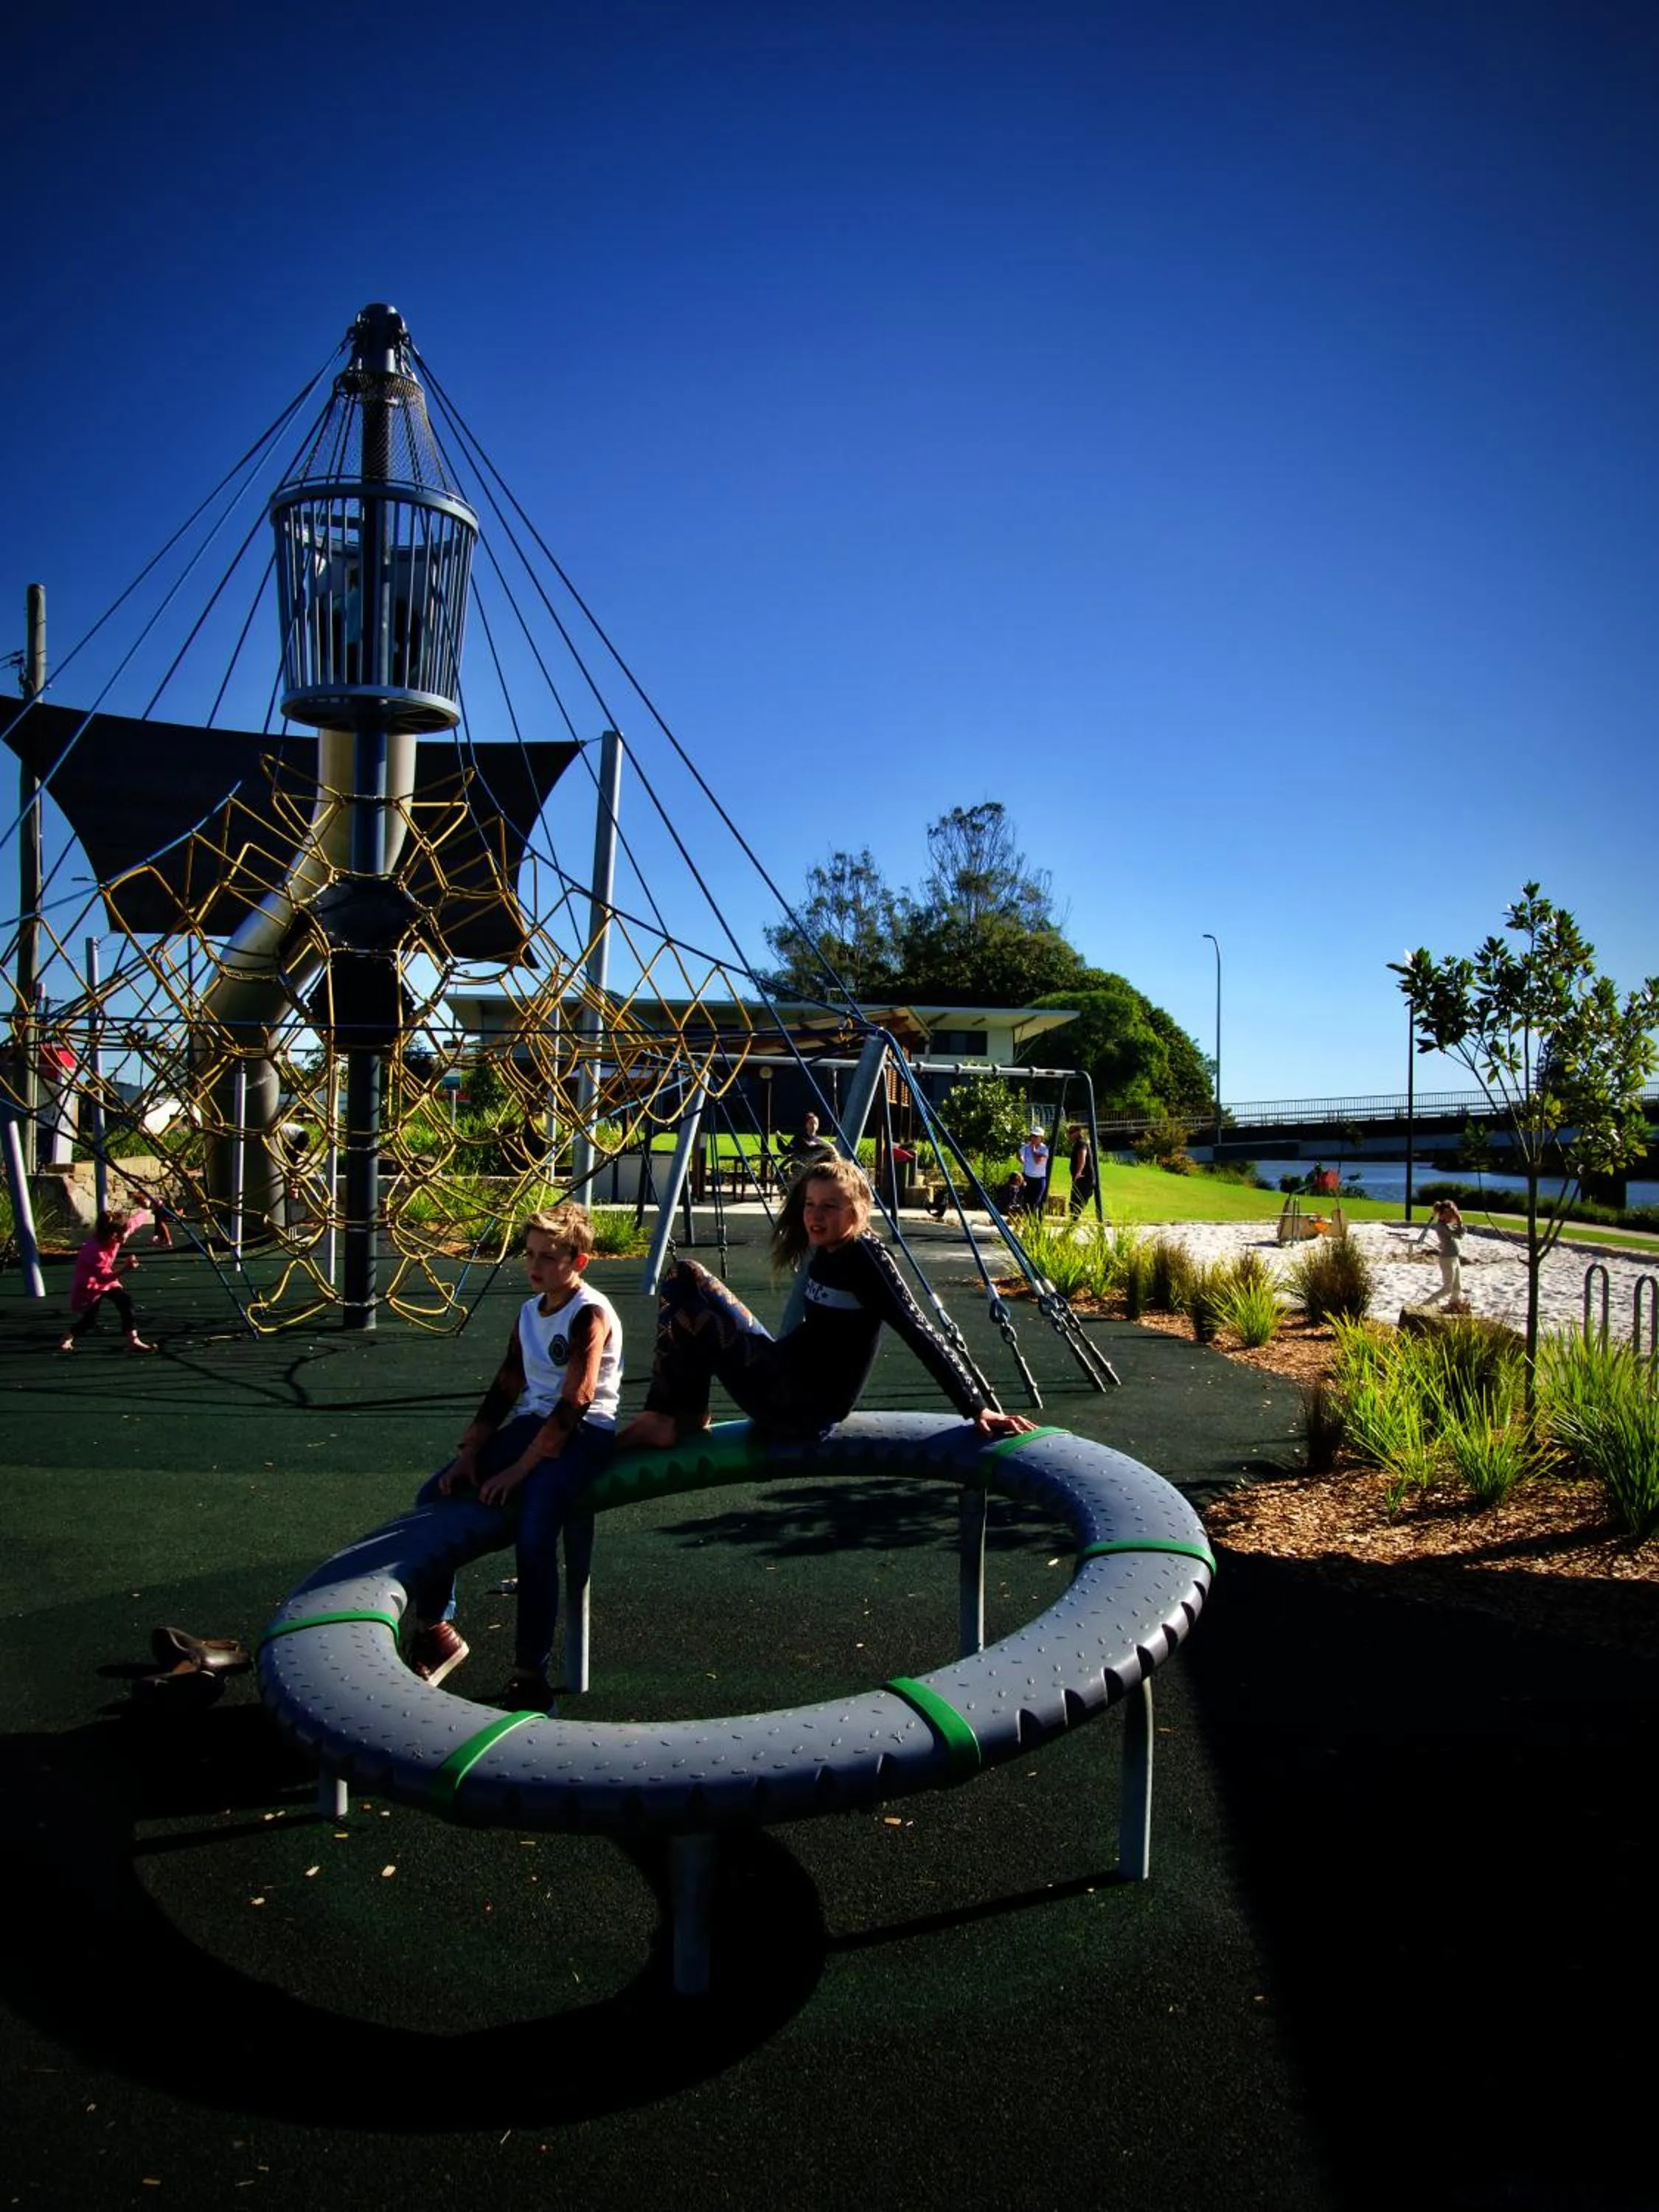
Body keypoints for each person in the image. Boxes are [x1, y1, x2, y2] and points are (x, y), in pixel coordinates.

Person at [618, 1154, 1035, 1450]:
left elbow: (917, 1327)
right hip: (786, 1384)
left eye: (831, 1207)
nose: (816, 1216)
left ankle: (664, 1416)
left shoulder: (866, 1257)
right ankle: (681, 1414)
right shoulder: (830, 1248)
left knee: (687, 1276)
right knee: (686, 1282)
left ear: (859, 1209)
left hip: (802, 1408)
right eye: (810, 1206)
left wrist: (977, 1407)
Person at [406, 1202, 622, 1711]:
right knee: (432, 1495)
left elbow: (578, 1401)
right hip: (535, 1425)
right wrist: (471, 1453)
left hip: (583, 1434)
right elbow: (506, 1386)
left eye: (549, 1257)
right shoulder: (530, 1312)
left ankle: (531, 1674)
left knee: (535, 1528)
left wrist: (519, 1469)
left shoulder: (587, 1313)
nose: (536, 1266)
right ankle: (434, 1628)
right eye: (530, 1255)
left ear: (579, 1262)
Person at [60, 1211, 154, 1354]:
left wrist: (150, 1208)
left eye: (123, 1233)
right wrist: (126, 1268)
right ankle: (69, 1335)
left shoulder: (119, 1234)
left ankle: (133, 1340)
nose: (123, 1239)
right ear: (107, 1234)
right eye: (117, 1236)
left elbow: (135, 1222)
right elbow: (104, 1277)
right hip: (90, 1284)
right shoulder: (95, 1251)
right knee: (90, 1320)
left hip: (107, 1280)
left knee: (125, 1301)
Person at [1419, 1197, 1467, 1308]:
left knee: (1457, 1287)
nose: (1450, 1217)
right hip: (1447, 1259)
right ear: (1441, 1215)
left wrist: (1459, 1224)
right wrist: (1460, 1222)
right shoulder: (1442, 1227)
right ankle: (1425, 1305)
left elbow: (1459, 1233)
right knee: (1448, 1288)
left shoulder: (1447, 1225)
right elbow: (1459, 1235)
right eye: (1448, 1214)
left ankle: (1453, 1305)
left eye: (1451, 1214)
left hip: (1454, 1258)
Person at [779, 1110, 838, 1186]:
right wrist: (779, 1139)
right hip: (800, 1170)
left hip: (814, 1171)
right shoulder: (799, 1138)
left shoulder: (820, 1141)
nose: (813, 1126)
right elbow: (786, 1150)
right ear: (806, 1125)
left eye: (816, 1124)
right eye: (811, 1123)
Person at [1019, 1127, 1051, 1217]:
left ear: (1041, 1138)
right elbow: (1018, 1154)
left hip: (1039, 1180)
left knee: (1034, 1204)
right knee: (1026, 1204)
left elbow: (1038, 1161)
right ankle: (1027, 1227)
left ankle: (1033, 1226)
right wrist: (1023, 1161)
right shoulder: (1026, 1147)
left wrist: (1033, 1150)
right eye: (1032, 1135)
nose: (1033, 1138)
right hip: (1027, 1178)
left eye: (1036, 1136)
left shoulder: (1044, 1149)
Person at [1066, 1124, 1096, 1217]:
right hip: (1081, 1180)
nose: (1069, 1135)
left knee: (1076, 1205)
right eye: (1068, 1132)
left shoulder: (1081, 1143)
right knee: (1074, 1205)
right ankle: (1070, 1227)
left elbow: (1082, 1158)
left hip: (1084, 1180)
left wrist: (1078, 1172)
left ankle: (1070, 1227)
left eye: (1071, 1132)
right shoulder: (1079, 1143)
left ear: (1078, 1132)